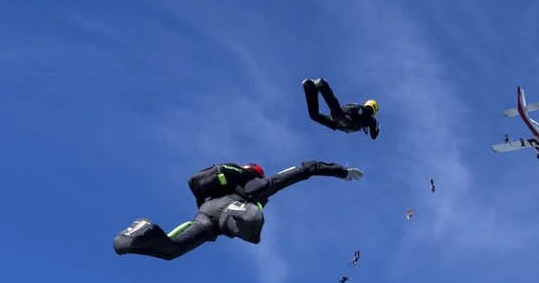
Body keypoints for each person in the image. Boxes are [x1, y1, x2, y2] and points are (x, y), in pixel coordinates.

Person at [114, 161, 360, 260]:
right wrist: (341, 171)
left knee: (171, 250)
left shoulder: (219, 186)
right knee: (254, 226)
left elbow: (200, 200)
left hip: (206, 216)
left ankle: (143, 232)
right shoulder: (258, 184)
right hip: (231, 210)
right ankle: (241, 221)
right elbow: (303, 170)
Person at [303, 79, 380, 138]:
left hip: (337, 123)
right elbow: (374, 135)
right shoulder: (370, 117)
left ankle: (309, 86)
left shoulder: (361, 110)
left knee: (314, 116)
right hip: (343, 119)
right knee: (336, 112)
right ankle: (323, 85)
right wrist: (377, 128)